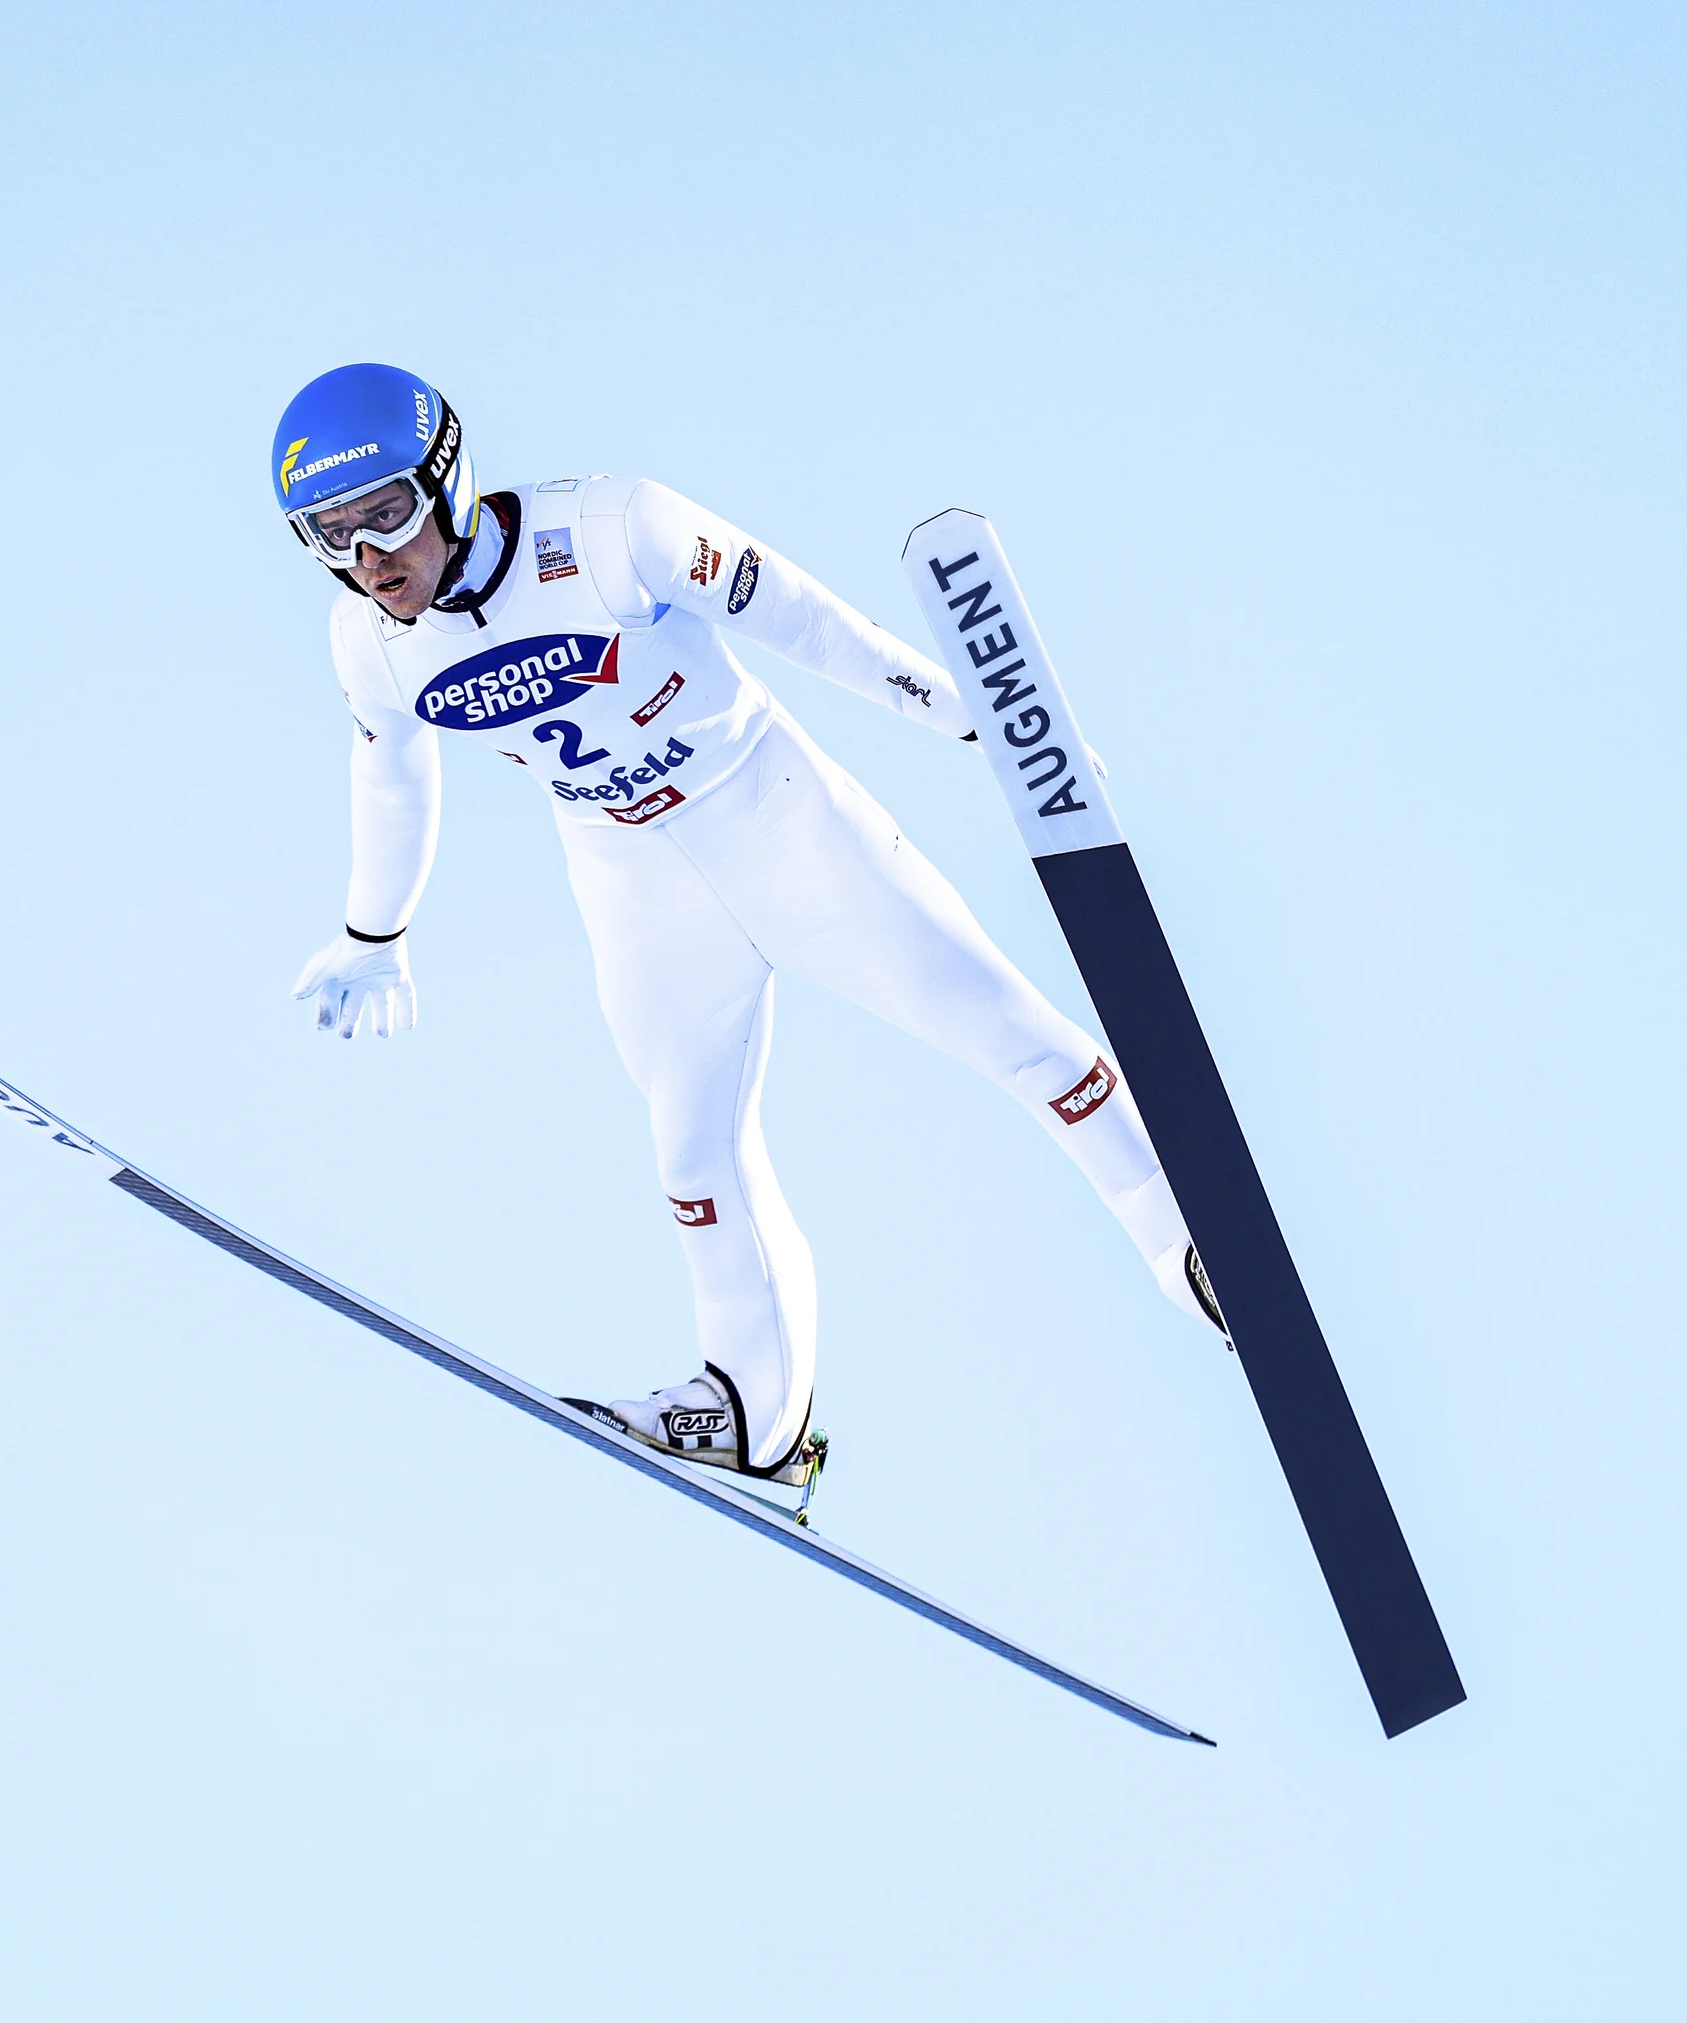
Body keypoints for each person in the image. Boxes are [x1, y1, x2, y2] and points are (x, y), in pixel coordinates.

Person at [276, 363, 1221, 1484]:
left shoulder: (617, 526)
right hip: (635, 888)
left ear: (447, 479)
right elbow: (391, 776)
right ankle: (751, 1414)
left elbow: (816, 626)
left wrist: (975, 718)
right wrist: (374, 933)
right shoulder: (367, 639)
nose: (369, 559)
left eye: (386, 513)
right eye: (330, 532)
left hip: (779, 824)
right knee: (692, 1153)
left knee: (1007, 1030)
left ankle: (1194, 1252)